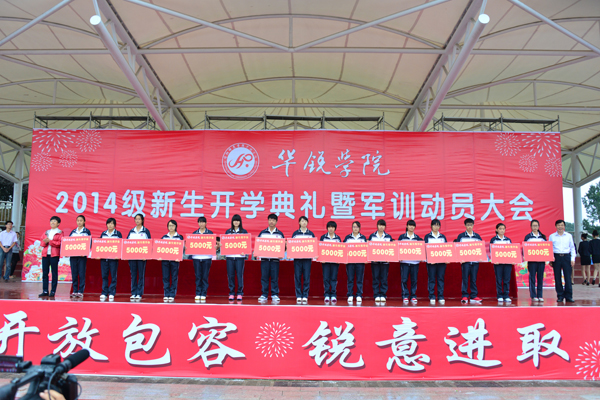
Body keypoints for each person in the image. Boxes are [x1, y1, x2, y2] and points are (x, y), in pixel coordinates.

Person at [258, 214, 285, 303]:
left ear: (276, 222)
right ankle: (264, 294)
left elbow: (283, 247)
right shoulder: (263, 233)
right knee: (264, 277)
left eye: (273, 220)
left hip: (275, 260)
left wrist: (282, 253)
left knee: (274, 278)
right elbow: (258, 245)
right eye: (270, 220)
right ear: (268, 221)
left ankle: (274, 294)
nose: (271, 221)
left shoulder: (279, 234)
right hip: (265, 260)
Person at [456, 218, 483, 304]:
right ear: (465, 225)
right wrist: (460, 258)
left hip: (475, 262)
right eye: (468, 225)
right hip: (465, 262)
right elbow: (457, 248)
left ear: (473, 225)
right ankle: (464, 295)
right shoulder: (461, 236)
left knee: (473, 279)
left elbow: (480, 248)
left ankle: (474, 295)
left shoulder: (477, 236)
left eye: (471, 225)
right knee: (465, 278)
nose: (469, 226)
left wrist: (481, 256)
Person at [549, 219, 576, 303]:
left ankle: (568, 296)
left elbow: (572, 248)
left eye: (561, 225)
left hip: (566, 257)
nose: (560, 227)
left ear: (564, 226)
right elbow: (550, 248)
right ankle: (560, 296)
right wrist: (551, 258)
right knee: (557, 278)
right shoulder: (552, 236)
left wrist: (572, 259)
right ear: (555, 226)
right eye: (558, 225)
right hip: (556, 257)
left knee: (568, 277)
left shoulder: (569, 236)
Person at [126, 213, 151, 301]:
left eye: (139, 219)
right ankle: (133, 292)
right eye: (136, 219)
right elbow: (127, 243)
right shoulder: (131, 231)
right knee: (133, 274)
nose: (137, 220)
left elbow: (149, 244)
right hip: (132, 257)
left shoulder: (145, 231)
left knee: (141, 275)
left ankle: (139, 293)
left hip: (142, 257)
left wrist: (146, 255)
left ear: (142, 220)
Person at [191, 216, 216, 302]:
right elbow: (191, 245)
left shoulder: (210, 233)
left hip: (206, 257)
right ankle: (198, 293)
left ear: (206, 223)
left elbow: (213, 245)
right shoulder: (194, 234)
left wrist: (215, 247)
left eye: (203, 222)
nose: (201, 224)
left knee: (205, 276)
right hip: (196, 257)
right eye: (200, 222)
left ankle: (203, 293)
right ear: (198, 223)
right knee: (198, 276)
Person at [398, 219, 423, 305]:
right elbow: (398, 249)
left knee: (414, 280)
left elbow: (420, 250)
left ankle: (413, 296)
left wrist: (421, 257)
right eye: (410, 225)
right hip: (404, 262)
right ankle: (405, 295)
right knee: (404, 279)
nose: (411, 227)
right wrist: (399, 257)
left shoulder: (417, 238)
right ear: (407, 226)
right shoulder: (402, 237)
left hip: (415, 263)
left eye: (413, 226)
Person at [291, 216, 315, 304]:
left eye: (305, 221)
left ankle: (305, 295)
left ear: (307, 223)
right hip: (297, 259)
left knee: (306, 277)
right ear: (299, 223)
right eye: (302, 221)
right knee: (297, 277)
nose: (304, 222)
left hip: (307, 259)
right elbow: (292, 246)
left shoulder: (311, 234)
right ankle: (298, 295)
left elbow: (313, 246)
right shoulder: (295, 234)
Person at [369, 219, 393, 304]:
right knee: (375, 278)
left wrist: (389, 258)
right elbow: (369, 248)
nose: (381, 227)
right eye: (380, 225)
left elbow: (391, 249)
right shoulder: (372, 236)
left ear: (385, 227)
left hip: (385, 262)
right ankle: (376, 295)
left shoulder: (388, 237)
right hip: (375, 262)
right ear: (377, 226)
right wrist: (372, 257)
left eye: (383, 225)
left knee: (384, 278)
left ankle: (383, 294)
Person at [424, 219, 448, 305]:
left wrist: (447, 258)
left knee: (440, 278)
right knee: (431, 279)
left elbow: (446, 249)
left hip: (441, 263)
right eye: (434, 225)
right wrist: (429, 259)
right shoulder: (427, 237)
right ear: (431, 226)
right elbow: (425, 249)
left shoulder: (443, 237)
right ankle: (432, 296)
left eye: (438, 225)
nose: (436, 227)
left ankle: (440, 296)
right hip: (431, 263)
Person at [225, 214, 247, 302]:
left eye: (238, 220)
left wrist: (244, 252)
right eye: (234, 220)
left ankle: (239, 293)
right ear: (232, 222)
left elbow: (246, 245)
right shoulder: (228, 232)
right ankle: (231, 292)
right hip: (230, 257)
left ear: (240, 222)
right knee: (230, 275)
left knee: (239, 275)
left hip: (239, 257)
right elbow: (225, 244)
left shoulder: (244, 232)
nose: (236, 222)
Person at [344, 221, 368, 304]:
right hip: (350, 262)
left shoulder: (363, 238)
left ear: (359, 228)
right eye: (354, 227)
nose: (355, 228)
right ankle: (350, 294)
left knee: (359, 279)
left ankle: (359, 295)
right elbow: (344, 249)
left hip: (360, 262)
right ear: (352, 228)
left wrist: (366, 259)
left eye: (357, 227)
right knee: (350, 279)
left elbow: (366, 249)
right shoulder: (347, 238)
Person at [524, 219, 547, 302]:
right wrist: (525, 256)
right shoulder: (528, 237)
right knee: (532, 278)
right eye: (533, 225)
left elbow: (546, 248)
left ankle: (540, 295)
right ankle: (533, 295)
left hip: (541, 261)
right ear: (531, 227)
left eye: (536, 225)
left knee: (540, 278)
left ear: (538, 226)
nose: (535, 227)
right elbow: (525, 248)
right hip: (532, 261)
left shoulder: (543, 237)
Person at [39, 216, 63, 297]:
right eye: (51, 221)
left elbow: (59, 243)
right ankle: (45, 290)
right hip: (45, 254)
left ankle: (53, 291)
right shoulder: (46, 232)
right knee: (45, 273)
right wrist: (45, 242)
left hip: (54, 255)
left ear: (58, 223)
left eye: (54, 221)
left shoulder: (60, 232)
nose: (52, 222)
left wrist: (50, 241)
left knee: (54, 273)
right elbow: (42, 243)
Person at [68, 215, 91, 298]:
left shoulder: (87, 231)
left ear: (84, 221)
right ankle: (75, 290)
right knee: (74, 273)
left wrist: (85, 252)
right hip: (73, 256)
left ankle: (80, 291)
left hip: (82, 256)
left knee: (81, 273)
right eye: (78, 220)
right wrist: (67, 251)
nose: (79, 222)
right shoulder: (73, 232)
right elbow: (68, 243)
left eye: (81, 220)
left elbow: (89, 243)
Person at [161, 220, 184, 302]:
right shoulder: (164, 237)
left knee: (174, 277)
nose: (171, 227)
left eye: (172, 225)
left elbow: (181, 249)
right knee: (165, 277)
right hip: (165, 260)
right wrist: (159, 256)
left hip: (175, 261)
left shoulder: (179, 237)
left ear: (175, 227)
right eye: (169, 225)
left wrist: (179, 256)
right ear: (167, 227)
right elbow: (160, 248)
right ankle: (166, 293)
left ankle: (172, 294)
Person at [99, 217, 121, 301]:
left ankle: (112, 292)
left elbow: (120, 246)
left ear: (114, 225)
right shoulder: (103, 234)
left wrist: (118, 255)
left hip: (113, 259)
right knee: (104, 275)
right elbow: (100, 245)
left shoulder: (118, 234)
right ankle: (104, 292)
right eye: (108, 223)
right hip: (104, 259)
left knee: (113, 276)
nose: (110, 225)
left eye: (112, 223)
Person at [320, 220, 342, 303]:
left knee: (333, 278)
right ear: (327, 228)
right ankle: (326, 294)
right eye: (329, 227)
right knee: (326, 278)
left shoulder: (338, 238)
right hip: (325, 262)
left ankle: (333, 294)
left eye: (332, 227)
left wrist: (339, 259)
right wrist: (321, 258)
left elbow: (340, 250)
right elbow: (320, 249)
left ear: (335, 228)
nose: (331, 229)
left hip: (335, 262)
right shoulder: (323, 238)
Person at [490, 223, 513, 304]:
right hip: (498, 263)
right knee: (499, 279)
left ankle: (506, 295)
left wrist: (513, 259)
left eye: (503, 229)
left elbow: (511, 251)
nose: (502, 230)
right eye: (500, 229)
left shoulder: (508, 240)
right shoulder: (494, 240)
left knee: (507, 279)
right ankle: (499, 295)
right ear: (496, 230)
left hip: (507, 263)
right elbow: (491, 251)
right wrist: (494, 259)